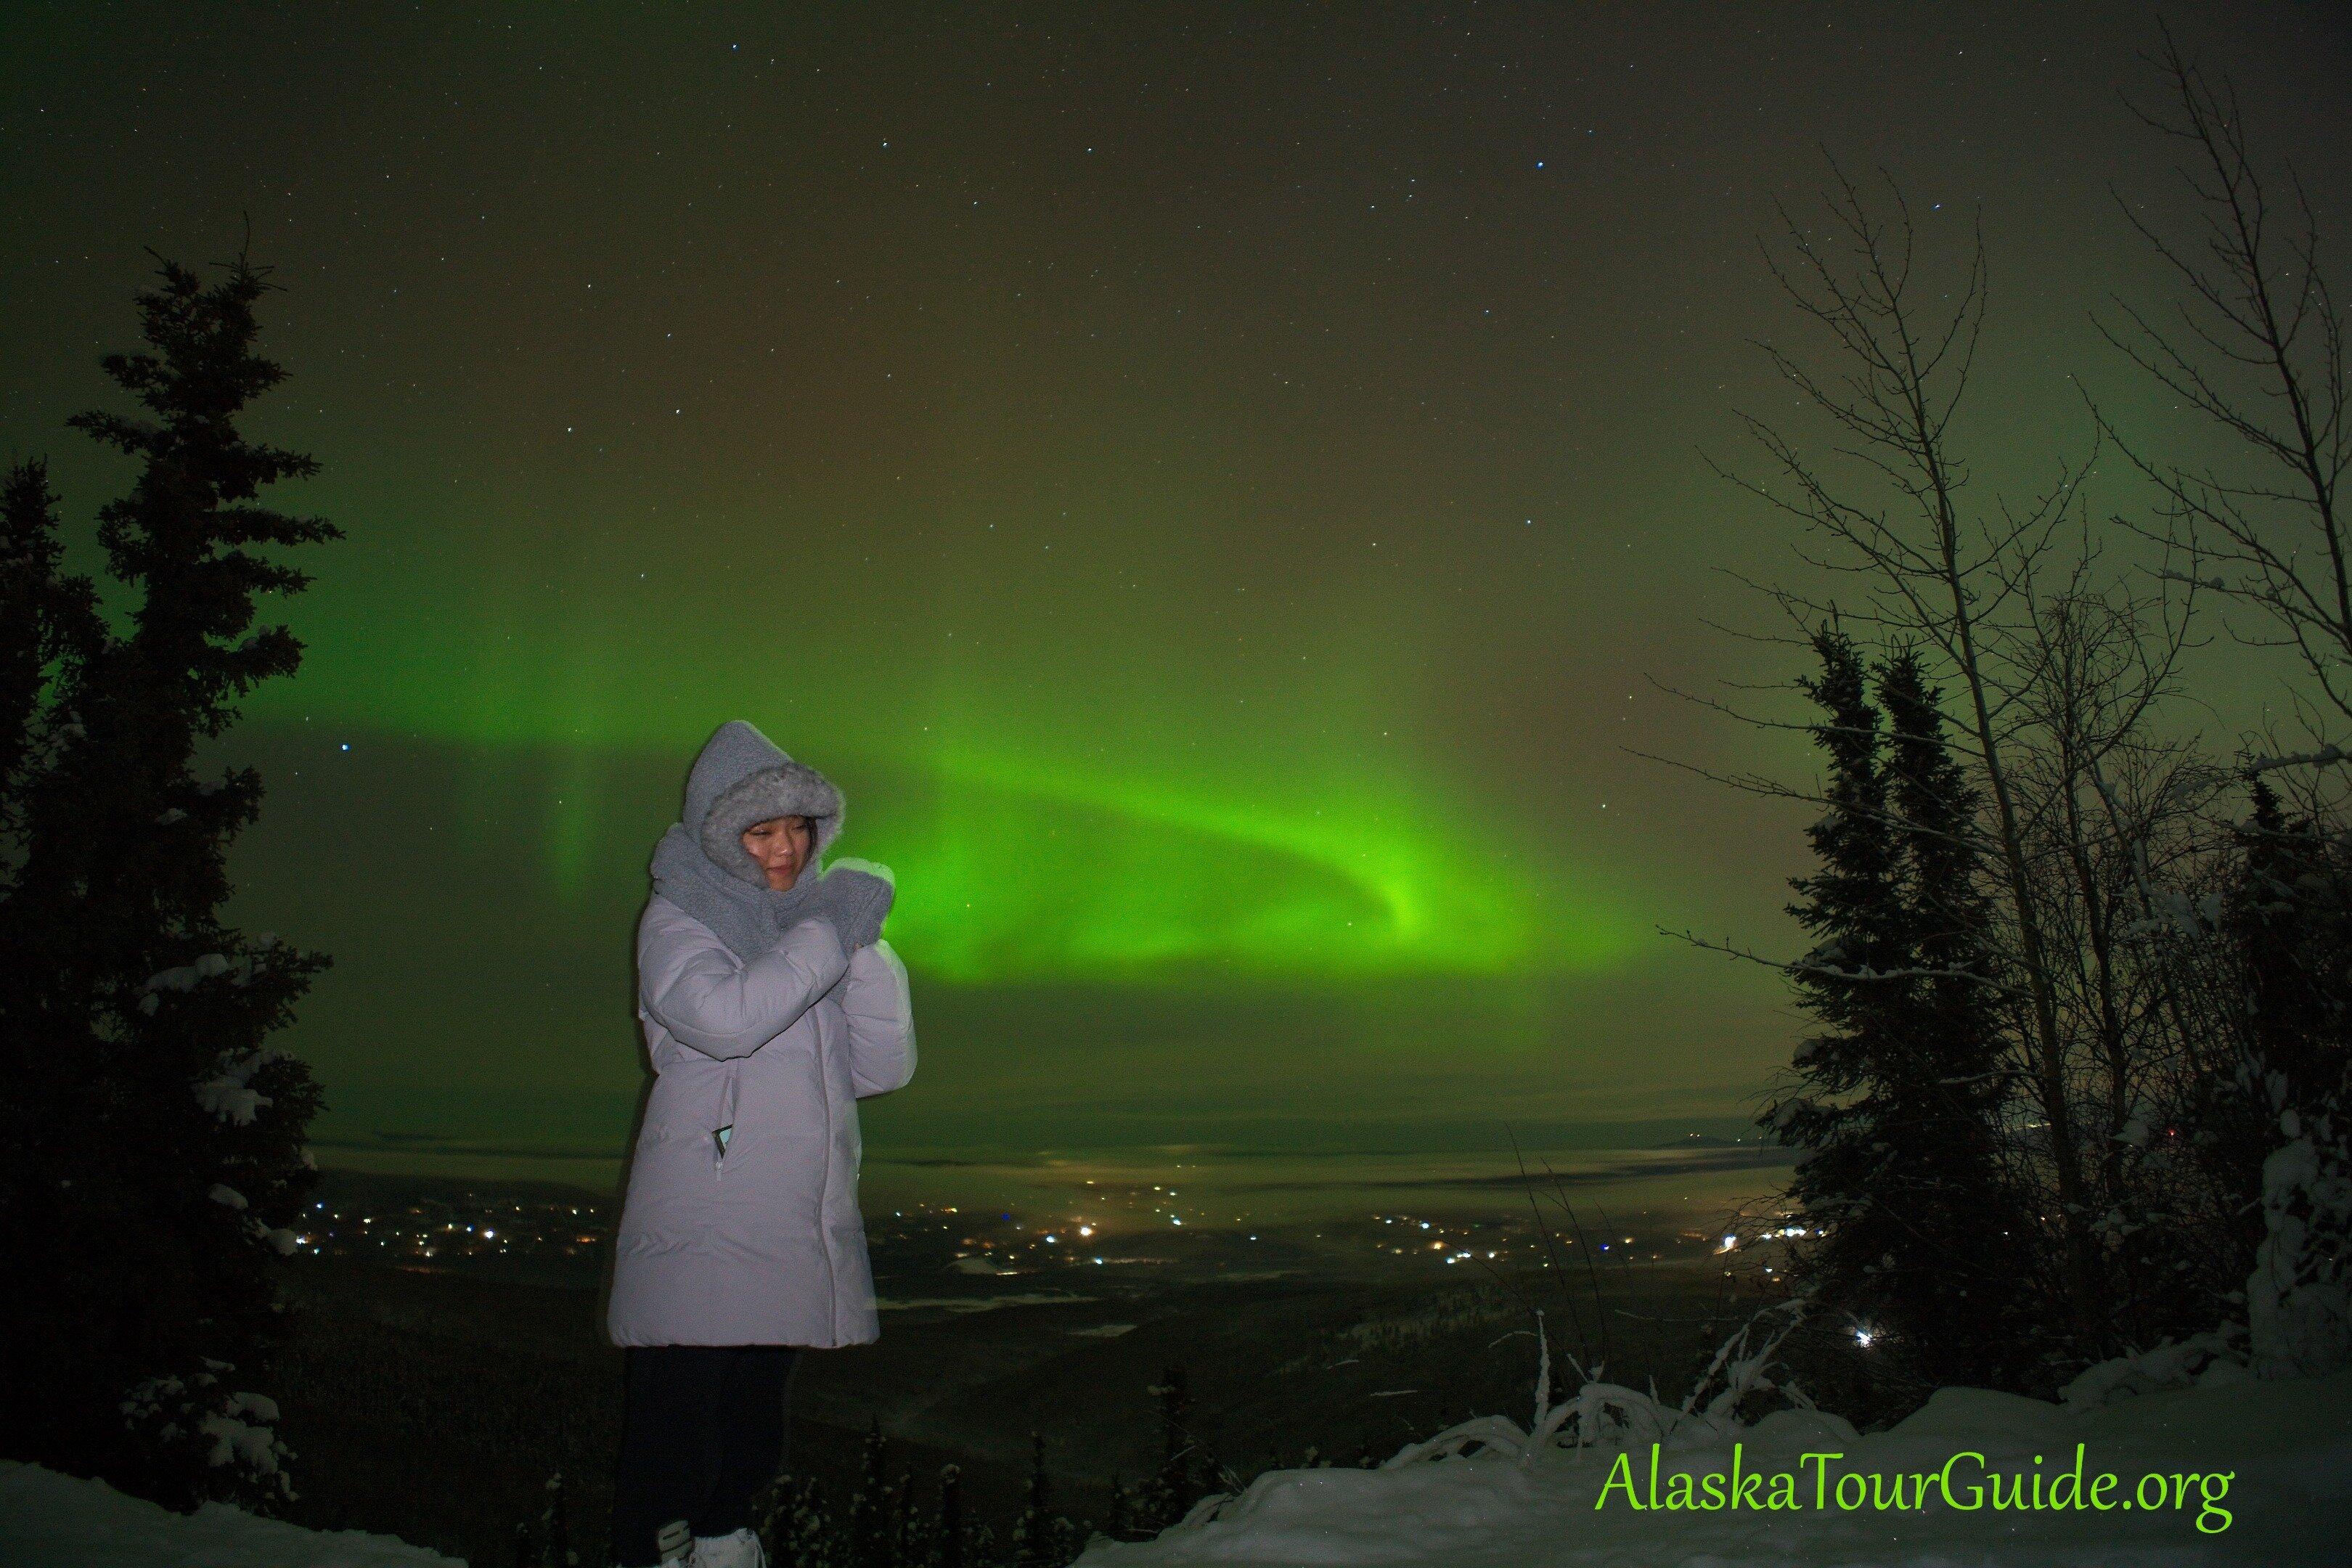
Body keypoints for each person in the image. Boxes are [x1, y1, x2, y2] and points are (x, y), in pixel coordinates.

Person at [605, 719, 917, 1568]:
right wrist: (828, 935)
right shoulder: (681, 916)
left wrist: (865, 949)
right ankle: (658, 1554)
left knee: (749, 1434)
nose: (784, 849)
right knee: (675, 1428)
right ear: (719, 834)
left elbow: (881, 1069)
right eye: (760, 830)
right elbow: (725, 1022)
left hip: (784, 1214)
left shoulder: (810, 933)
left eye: (797, 829)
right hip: (708, 1210)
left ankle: (726, 1544)